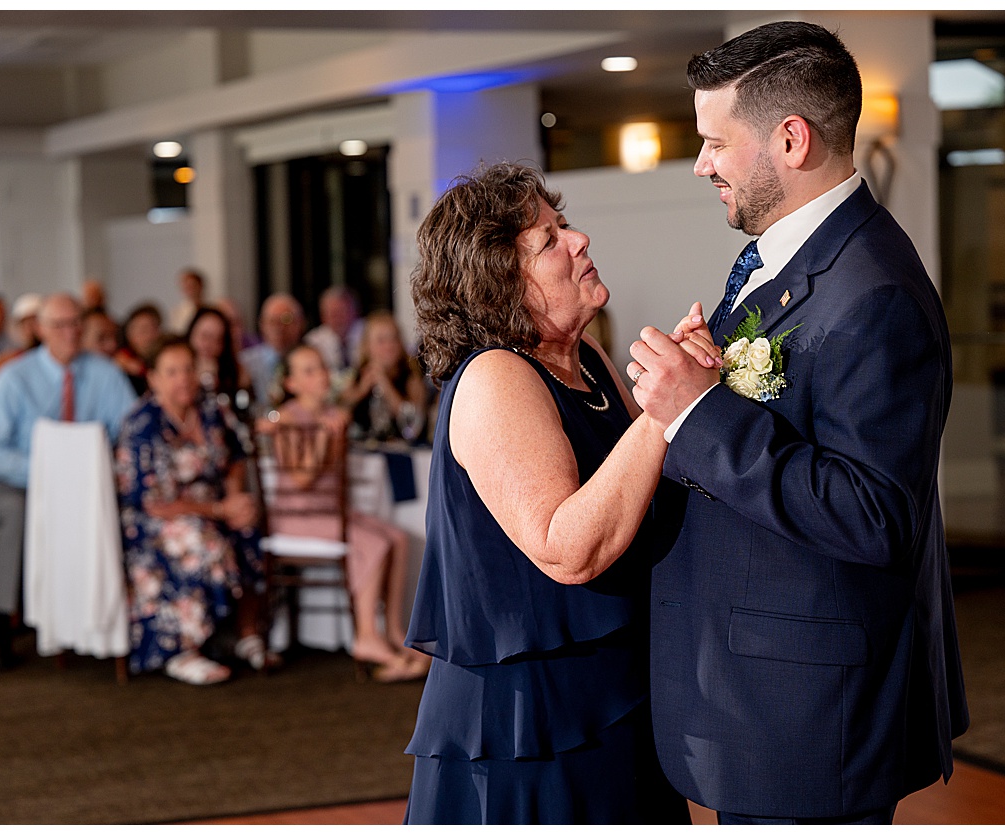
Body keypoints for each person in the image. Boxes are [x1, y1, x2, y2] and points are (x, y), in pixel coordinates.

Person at [626, 22, 967, 825]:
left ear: (790, 138)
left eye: (715, 141)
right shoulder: (799, 257)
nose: (703, 163)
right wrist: (709, 384)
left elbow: (873, 512)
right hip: (762, 697)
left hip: (811, 713)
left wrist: (700, 411)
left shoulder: (872, 290)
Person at [401, 162, 716, 824]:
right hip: (531, 723)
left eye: (564, 225)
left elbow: (639, 493)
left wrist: (699, 399)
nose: (579, 241)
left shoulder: (593, 360)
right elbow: (566, 548)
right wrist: (665, 408)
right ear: (498, 285)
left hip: (615, 692)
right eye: (549, 240)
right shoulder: (495, 376)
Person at [0, 293, 138, 671]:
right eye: (60, 325)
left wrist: (95, 468)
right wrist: (50, 470)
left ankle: (107, 619)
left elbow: (130, 431)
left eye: (77, 323)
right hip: (18, 485)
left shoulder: (105, 373)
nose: (70, 332)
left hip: (87, 487)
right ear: (40, 329)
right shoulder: (14, 377)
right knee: (20, 512)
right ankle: (0, 624)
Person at [259, 344, 424, 682]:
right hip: (297, 515)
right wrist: (323, 432)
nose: (321, 375)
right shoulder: (287, 419)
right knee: (371, 542)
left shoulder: (333, 415)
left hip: (330, 512)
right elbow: (303, 479)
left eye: (321, 367)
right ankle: (365, 635)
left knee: (397, 537)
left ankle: (394, 629)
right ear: (292, 384)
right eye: (309, 370)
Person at [115, 338, 270, 683]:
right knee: (195, 538)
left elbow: (236, 456)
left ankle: (245, 634)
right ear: (152, 378)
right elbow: (153, 499)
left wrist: (234, 501)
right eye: (171, 372)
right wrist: (219, 508)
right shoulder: (142, 424)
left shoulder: (212, 409)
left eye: (188, 368)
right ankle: (183, 648)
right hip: (160, 516)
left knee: (247, 523)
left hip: (213, 505)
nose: (183, 379)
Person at [338, 311, 429, 444]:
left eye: (394, 339)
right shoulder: (357, 376)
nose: (389, 346)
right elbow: (340, 409)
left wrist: (384, 382)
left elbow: (413, 425)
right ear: (367, 346)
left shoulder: (411, 377)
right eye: (381, 341)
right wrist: (361, 390)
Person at [239, 293, 306, 414]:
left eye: (286, 320)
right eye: (271, 321)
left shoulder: (310, 362)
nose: (279, 327)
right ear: (261, 325)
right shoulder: (246, 362)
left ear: (300, 323)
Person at [185, 306, 250, 410]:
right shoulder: (178, 374)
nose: (210, 346)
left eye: (218, 340)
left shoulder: (232, 373)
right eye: (205, 336)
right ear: (191, 335)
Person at [114, 302, 164, 395]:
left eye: (154, 328)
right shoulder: (122, 365)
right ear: (131, 336)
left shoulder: (166, 356)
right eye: (144, 330)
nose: (151, 335)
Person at [168, 267, 207, 334]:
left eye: (193, 286)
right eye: (187, 287)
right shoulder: (177, 312)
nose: (190, 290)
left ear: (200, 286)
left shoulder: (211, 308)